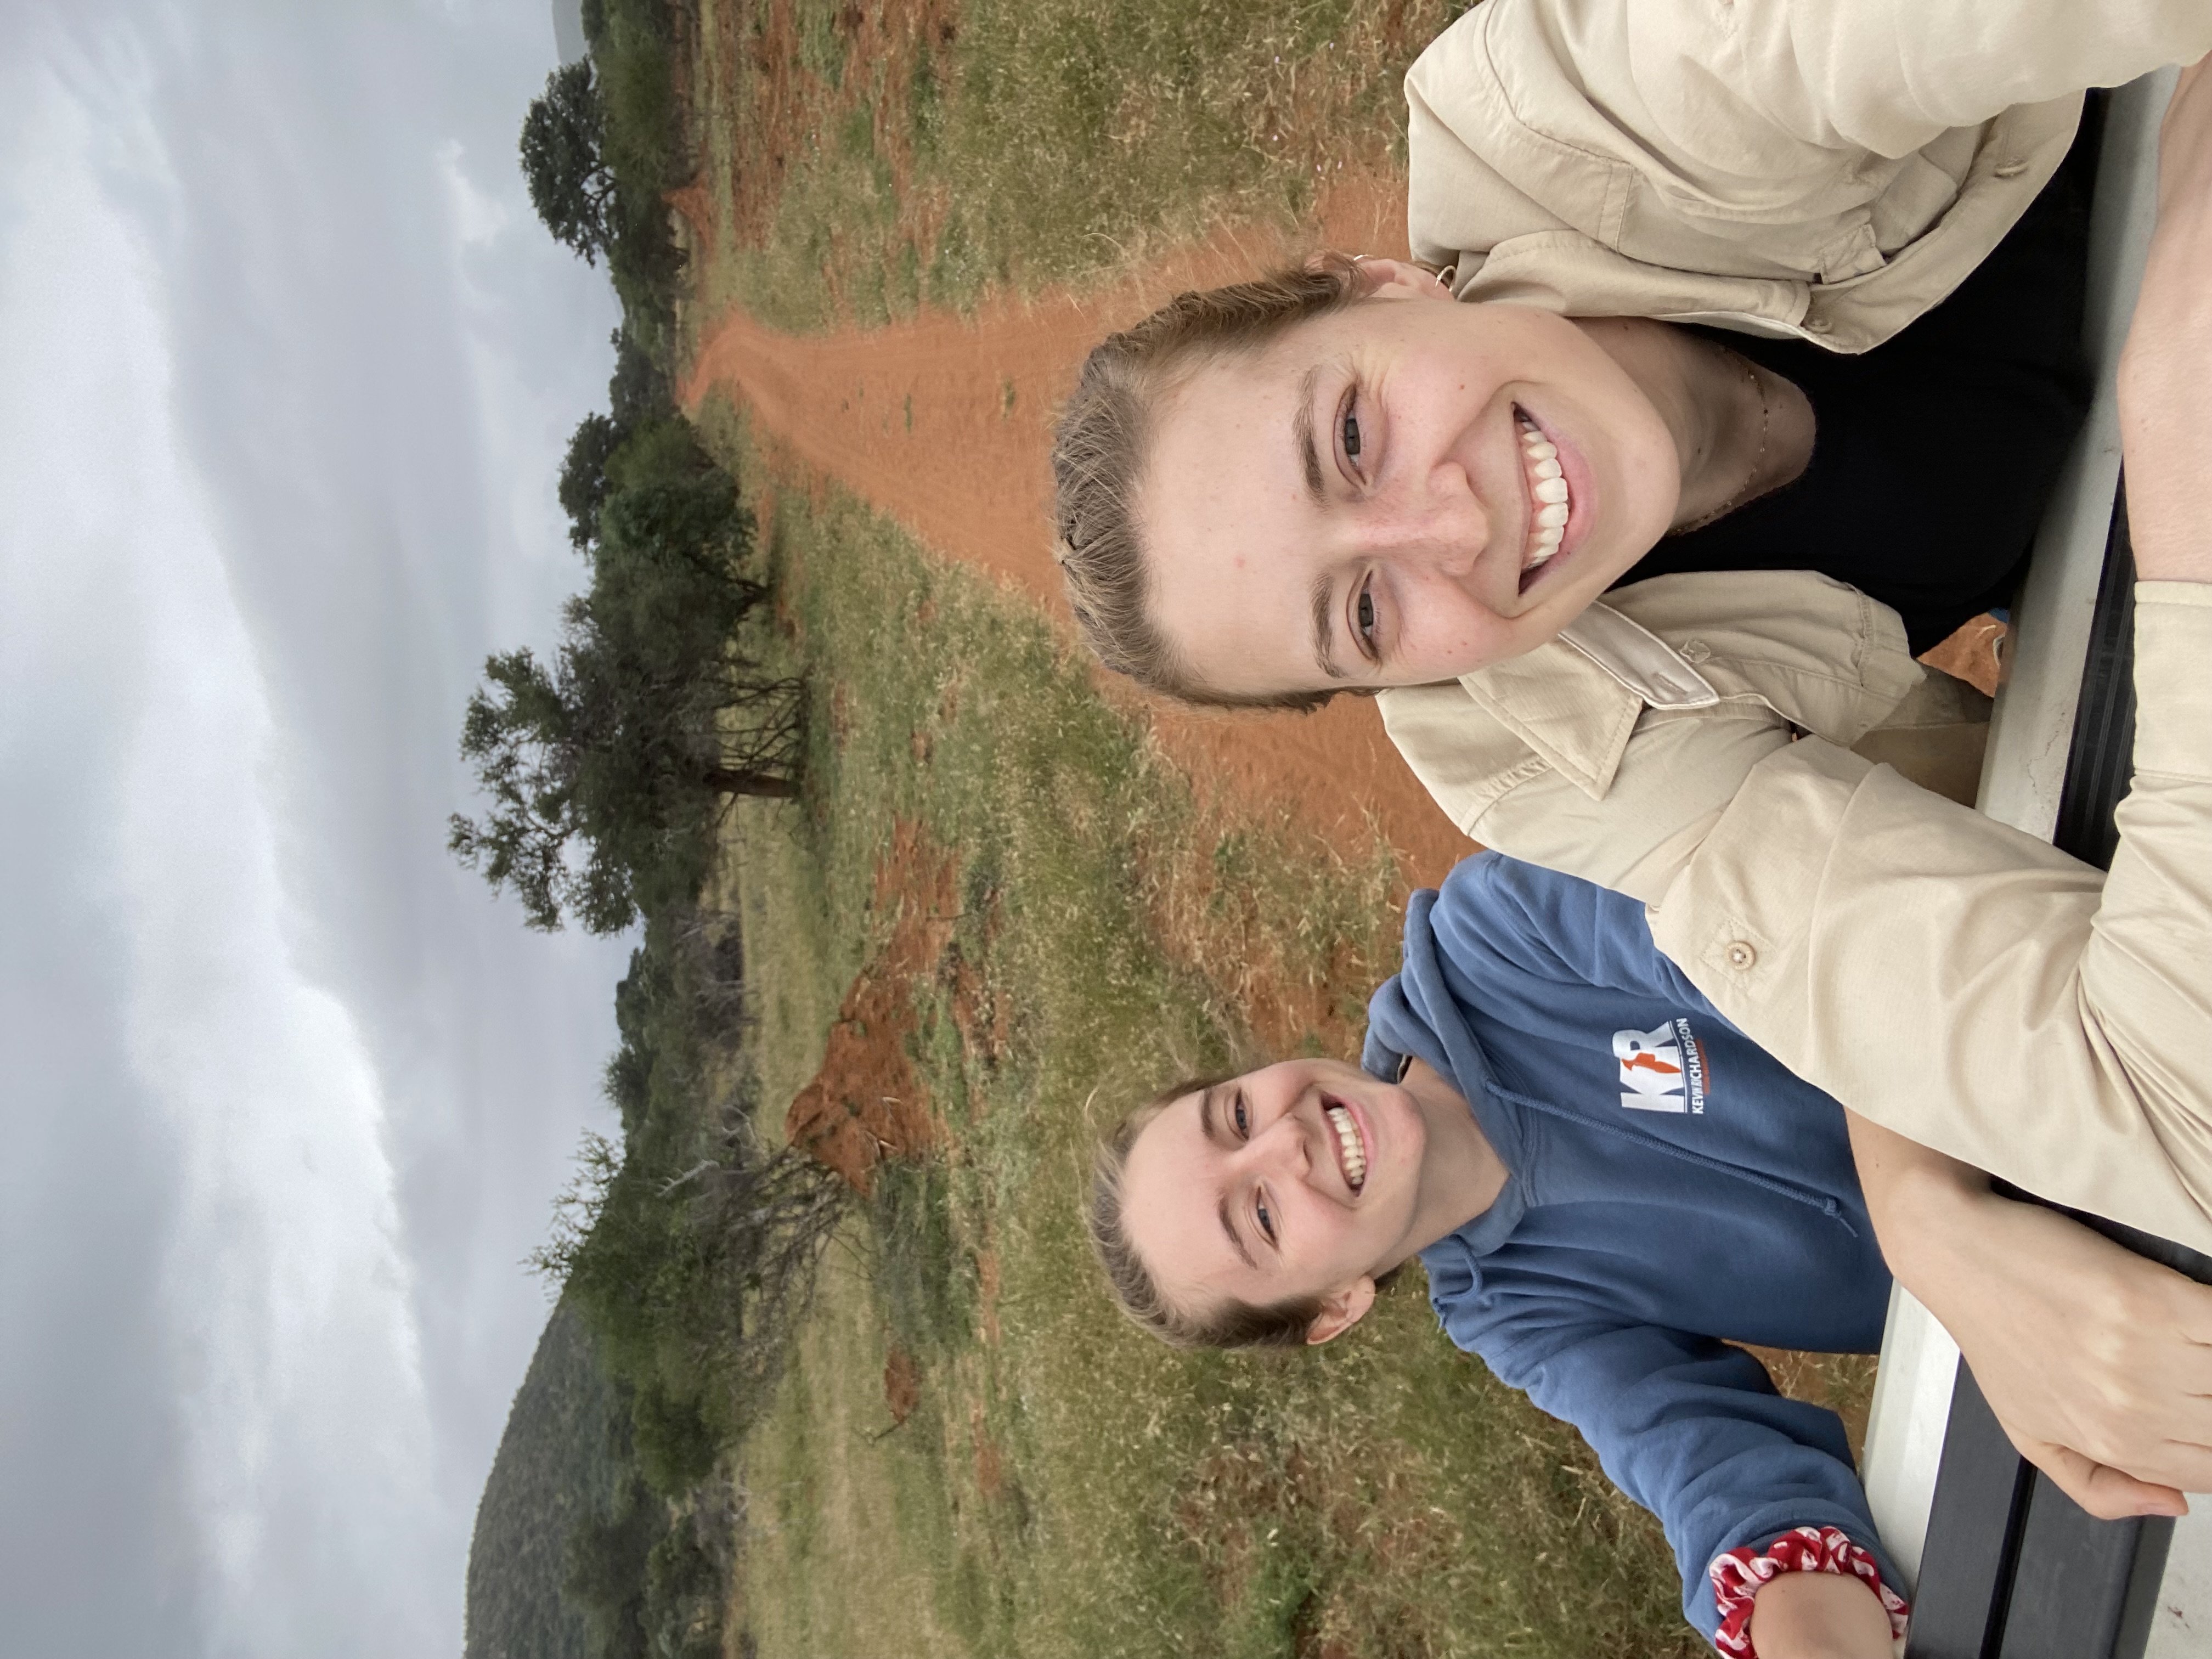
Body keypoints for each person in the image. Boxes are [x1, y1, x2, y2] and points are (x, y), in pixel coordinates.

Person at [1053, 8, 2212, 1247]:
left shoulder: (1572, 103)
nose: (1451, 526)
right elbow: (2165, 1107)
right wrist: (1938, 1224)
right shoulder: (1519, 742)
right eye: (1367, 611)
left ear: (1379, 286)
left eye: (1349, 438)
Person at [1091, 854, 2212, 1657]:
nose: (1285, 1142)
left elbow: (1829, 954)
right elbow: (1708, 1468)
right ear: (1334, 1307)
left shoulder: (1496, 943)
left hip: (2093, 1033)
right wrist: (1807, 1629)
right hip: (2086, 1283)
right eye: (1262, 1220)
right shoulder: (1509, 1313)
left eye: (1235, 1116)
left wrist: (1946, 1236)